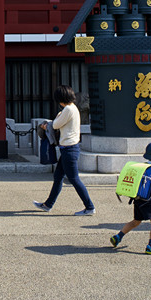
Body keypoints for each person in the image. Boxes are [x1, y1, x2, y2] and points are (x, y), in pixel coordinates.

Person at [33, 84, 95, 216]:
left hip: (69, 149)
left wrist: (57, 116)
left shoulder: (68, 109)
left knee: (74, 179)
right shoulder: (72, 108)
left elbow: (55, 125)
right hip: (69, 149)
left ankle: (89, 207)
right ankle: (48, 204)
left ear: (61, 99)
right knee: (58, 176)